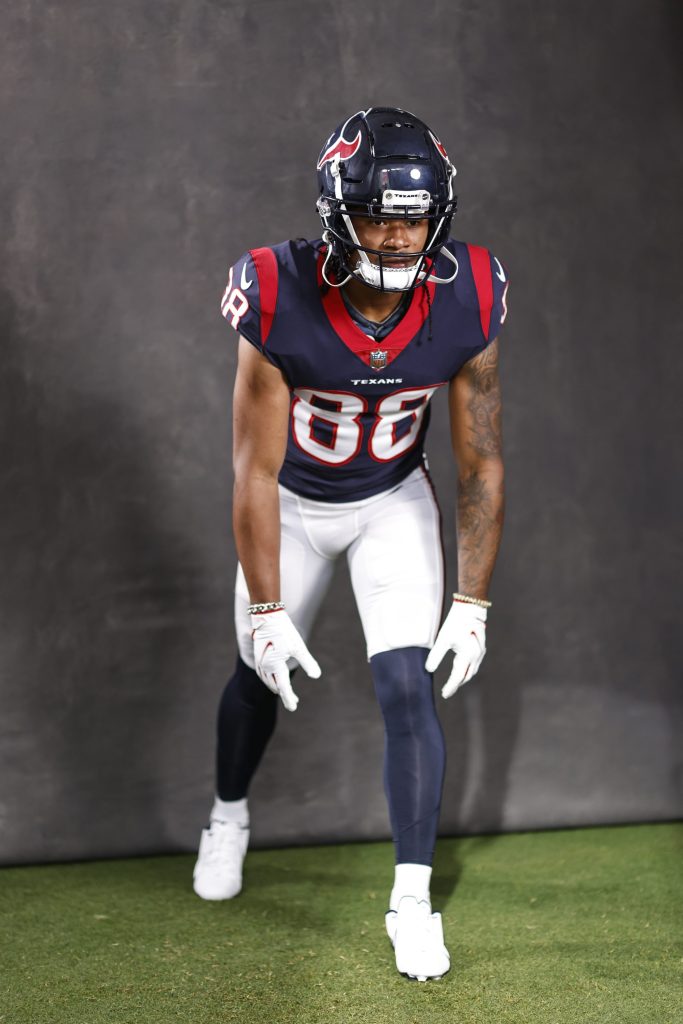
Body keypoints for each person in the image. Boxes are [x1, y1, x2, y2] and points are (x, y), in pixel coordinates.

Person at [193, 107, 509, 982]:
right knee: (255, 675)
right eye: (376, 212)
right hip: (290, 503)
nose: (397, 232)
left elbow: (479, 461)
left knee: (408, 688)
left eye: (412, 214)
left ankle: (411, 901)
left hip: (388, 501)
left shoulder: (469, 292)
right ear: (337, 210)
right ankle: (228, 814)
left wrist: (472, 599)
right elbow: (253, 471)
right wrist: (263, 608)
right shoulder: (275, 287)